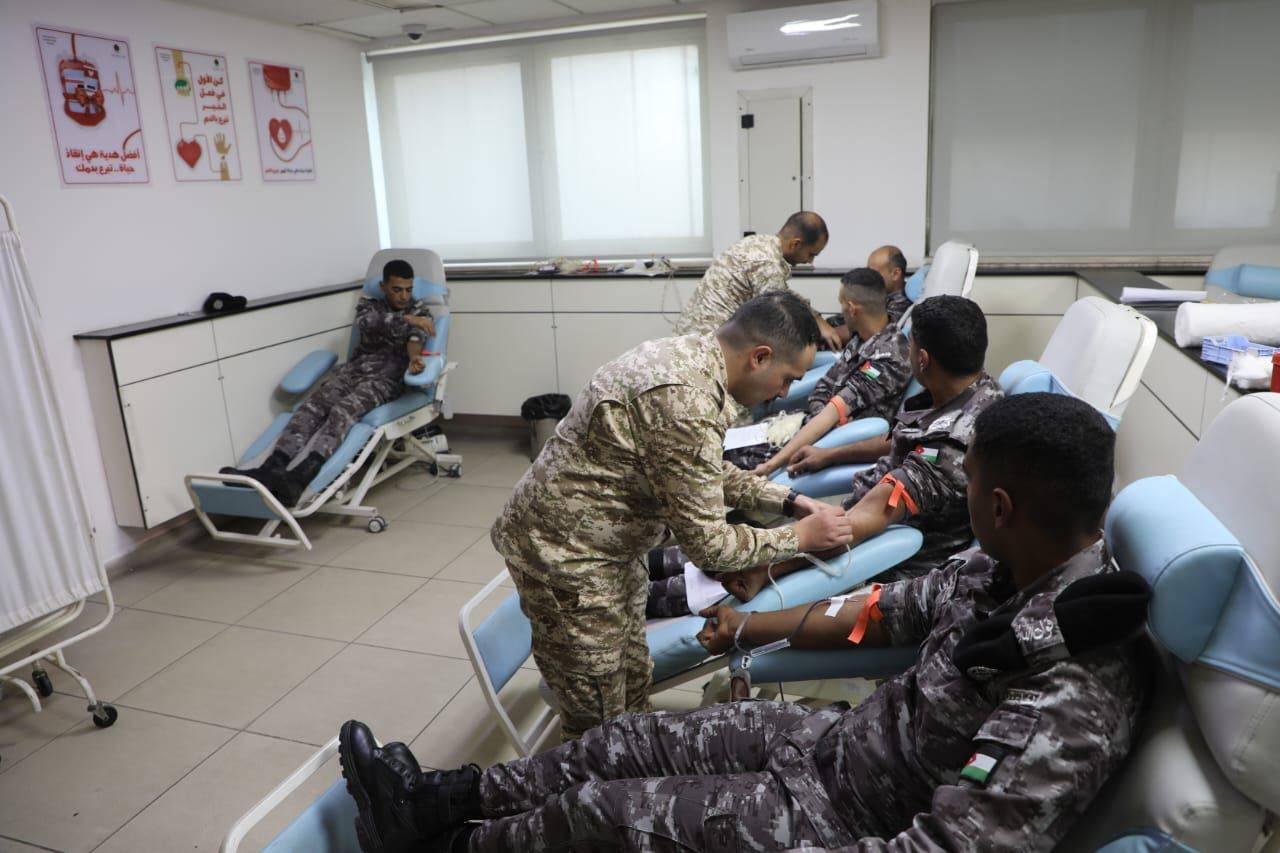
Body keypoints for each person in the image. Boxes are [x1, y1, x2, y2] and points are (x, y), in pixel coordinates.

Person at [336, 392, 1151, 853]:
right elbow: (878, 610)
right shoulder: (999, 573)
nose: (960, 494)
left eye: (967, 482)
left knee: (603, 817)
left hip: (844, 819)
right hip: (832, 745)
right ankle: (440, 798)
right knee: (624, 742)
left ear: (999, 506)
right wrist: (750, 627)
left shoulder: (1073, 688)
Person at [490, 292, 854, 742]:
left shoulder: (692, 360)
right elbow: (710, 545)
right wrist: (800, 537)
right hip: (565, 556)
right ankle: (588, 780)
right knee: (595, 723)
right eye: (786, 379)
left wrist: (788, 500)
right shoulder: (684, 398)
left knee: (632, 680)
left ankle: (627, 765)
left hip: (606, 547)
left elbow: (702, 469)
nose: (783, 392)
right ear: (760, 357)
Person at [700, 295, 1001, 605]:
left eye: (910, 345)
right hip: (843, 528)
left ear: (922, 359)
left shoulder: (945, 451)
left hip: (874, 562)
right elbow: (900, 439)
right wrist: (830, 455)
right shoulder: (978, 393)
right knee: (709, 555)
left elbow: (858, 525)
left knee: (705, 573)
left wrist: (769, 568)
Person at [222, 259, 435, 506]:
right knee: (311, 407)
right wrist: (407, 319)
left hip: (386, 378)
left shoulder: (421, 311)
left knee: (343, 411)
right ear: (383, 286)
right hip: (353, 372)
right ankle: (271, 468)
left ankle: (301, 477)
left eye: (408, 289)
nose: (404, 296)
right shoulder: (370, 305)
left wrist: (414, 358)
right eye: (397, 289)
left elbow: (415, 341)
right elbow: (367, 323)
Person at [749, 266, 912, 477]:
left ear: (851, 308)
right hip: (815, 427)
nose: (841, 310)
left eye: (841, 304)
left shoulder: (888, 357)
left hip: (833, 441)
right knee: (734, 442)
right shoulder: (861, 340)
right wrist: (823, 414)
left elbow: (833, 412)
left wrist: (770, 466)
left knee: (735, 459)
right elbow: (823, 389)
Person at [675, 212, 842, 352]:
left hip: (690, 338)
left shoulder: (758, 243)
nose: (809, 261)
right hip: (705, 346)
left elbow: (783, 294)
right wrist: (815, 330)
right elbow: (781, 311)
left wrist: (816, 317)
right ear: (795, 244)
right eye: (811, 254)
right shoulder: (767, 263)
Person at [827, 245, 912, 346]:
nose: (868, 276)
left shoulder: (902, 304)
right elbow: (843, 318)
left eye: (873, 272)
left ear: (895, 274)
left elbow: (863, 330)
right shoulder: (881, 294)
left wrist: (823, 333)